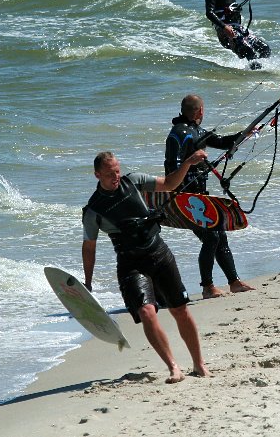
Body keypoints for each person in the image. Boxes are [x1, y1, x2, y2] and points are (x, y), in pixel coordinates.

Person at [82, 150, 211, 383]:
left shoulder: (134, 181)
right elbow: (89, 247)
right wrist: (88, 282)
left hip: (159, 253)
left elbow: (170, 184)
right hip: (130, 263)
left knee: (180, 309)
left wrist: (189, 163)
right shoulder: (94, 210)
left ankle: (199, 364)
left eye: (118, 171)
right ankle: (173, 367)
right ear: (97, 175)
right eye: (110, 173)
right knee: (146, 312)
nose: (116, 177)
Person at [164, 94, 255, 299]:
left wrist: (247, 132)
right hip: (186, 197)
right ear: (200, 111)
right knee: (211, 236)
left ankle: (234, 282)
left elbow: (222, 142)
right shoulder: (178, 134)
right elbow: (170, 167)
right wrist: (190, 163)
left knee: (218, 235)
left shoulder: (196, 131)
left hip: (199, 195)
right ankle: (207, 287)